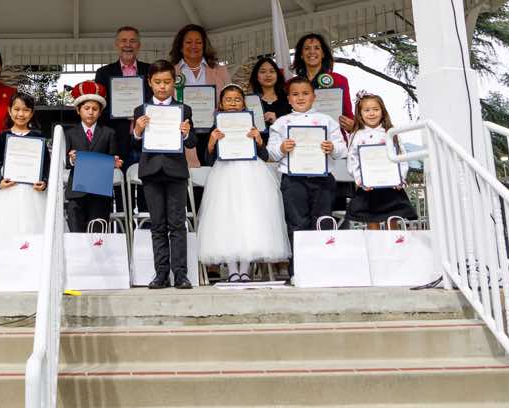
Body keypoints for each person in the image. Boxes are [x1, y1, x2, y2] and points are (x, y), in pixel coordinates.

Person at [198, 84, 289, 282]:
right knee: (226, 219)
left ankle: (246, 269)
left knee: (250, 218)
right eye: (228, 100)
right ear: (221, 104)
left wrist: (259, 140)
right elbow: (208, 159)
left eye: (237, 99)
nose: (233, 103)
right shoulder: (216, 126)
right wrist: (212, 141)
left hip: (251, 175)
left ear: (244, 104)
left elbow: (264, 156)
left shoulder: (252, 126)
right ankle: (232, 269)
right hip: (224, 176)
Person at [131, 60, 196, 289]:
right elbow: (134, 144)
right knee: (157, 225)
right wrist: (138, 130)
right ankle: (161, 274)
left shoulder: (184, 109)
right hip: (151, 172)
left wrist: (186, 133)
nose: (162, 86)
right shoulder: (141, 110)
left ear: (174, 82)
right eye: (157, 82)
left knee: (177, 224)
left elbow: (192, 142)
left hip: (176, 172)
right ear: (149, 82)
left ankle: (181, 274)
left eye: (167, 82)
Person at [268, 76, 347, 242]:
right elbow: (271, 154)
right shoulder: (281, 123)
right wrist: (281, 148)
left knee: (323, 222)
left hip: (323, 180)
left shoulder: (327, 120)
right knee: (296, 223)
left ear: (314, 96)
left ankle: (322, 258)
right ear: (288, 99)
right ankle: (299, 259)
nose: (300, 98)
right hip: (293, 181)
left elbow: (342, 150)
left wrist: (332, 147)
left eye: (305, 93)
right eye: (295, 94)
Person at [0, 92, 50, 270]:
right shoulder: (3, 136)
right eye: (16, 109)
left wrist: (44, 182)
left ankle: (28, 264)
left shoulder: (38, 136)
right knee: (5, 225)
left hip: (32, 193)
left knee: (30, 226)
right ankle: (6, 265)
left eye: (25, 110)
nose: (20, 114)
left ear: (32, 113)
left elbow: (45, 165)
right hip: (7, 190)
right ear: (9, 111)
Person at [345, 93, 417, 229]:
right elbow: (353, 161)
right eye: (367, 110)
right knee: (372, 220)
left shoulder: (391, 133)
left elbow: (401, 157)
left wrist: (400, 178)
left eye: (376, 109)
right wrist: (360, 180)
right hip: (367, 187)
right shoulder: (356, 135)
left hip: (391, 186)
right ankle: (375, 243)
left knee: (392, 220)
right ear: (360, 114)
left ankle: (394, 242)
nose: (371, 113)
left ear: (382, 111)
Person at [64, 81, 122, 233]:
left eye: (95, 109)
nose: (91, 112)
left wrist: (114, 163)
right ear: (78, 110)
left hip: (100, 192)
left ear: (100, 112)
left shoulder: (109, 133)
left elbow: (113, 157)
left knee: (98, 234)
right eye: (86, 108)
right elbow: (65, 162)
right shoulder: (69, 133)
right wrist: (71, 160)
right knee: (76, 232)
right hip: (76, 192)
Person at [170, 24, 230, 169]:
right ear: (180, 46)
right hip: (183, 134)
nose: (194, 46)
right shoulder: (171, 71)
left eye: (198, 42)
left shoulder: (220, 70)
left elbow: (229, 98)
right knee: (191, 177)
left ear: (204, 46)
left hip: (214, 132)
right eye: (188, 42)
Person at [93, 26, 150, 167]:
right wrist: (120, 111)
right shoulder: (103, 73)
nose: (128, 45)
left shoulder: (150, 70)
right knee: (117, 179)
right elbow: (99, 108)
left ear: (139, 45)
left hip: (147, 138)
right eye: (123, 40)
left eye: (132, 41)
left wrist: (140, 112)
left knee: (145, 179)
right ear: (117, 44)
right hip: (116, 141)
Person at [291, 32, 355, 134]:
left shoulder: (340, 80)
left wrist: (352, 126)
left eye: (317, 48)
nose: (312, 52)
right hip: (301, 139)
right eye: (307, 48)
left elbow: (348, 115)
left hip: (333, 139)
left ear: (323, 54)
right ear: (301, 55)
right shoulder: (290, 84)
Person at [248, 56, 291, 144]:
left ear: (277, 75)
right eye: (263, 72)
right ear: (256, 76)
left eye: (272, 71)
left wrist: (276, 121)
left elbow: (294, 128)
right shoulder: (249, 101)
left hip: (285, 147)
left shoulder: (288, 99)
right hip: (258, 148)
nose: (268, 75)